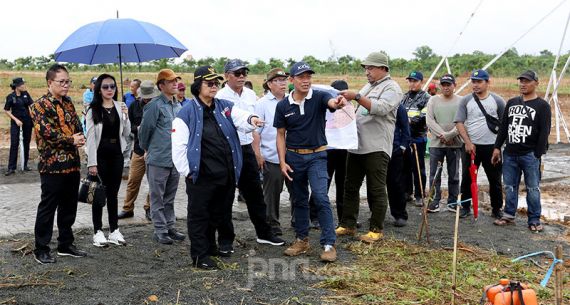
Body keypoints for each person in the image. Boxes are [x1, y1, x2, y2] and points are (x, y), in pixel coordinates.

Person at [172, 66, 262, 269]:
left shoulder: (223, 106)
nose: (214, 87)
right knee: (199, 216)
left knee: (218, 213)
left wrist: (252, 120)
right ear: (197, 86)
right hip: (201, 177)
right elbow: (178, 148)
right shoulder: (185, 113)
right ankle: (199, 255)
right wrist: (190, 173)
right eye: (209, 83)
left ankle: (212, 247)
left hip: (226, 173)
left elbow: (240, 117)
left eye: (216, 83)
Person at [275, 61, 347, 262]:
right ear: (292, 80)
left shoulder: (320, 96)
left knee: (320, 197)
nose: (306, 81)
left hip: (317, 156)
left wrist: (338, 103)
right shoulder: (283, 106)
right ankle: (301, 239)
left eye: (308, 76)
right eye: (301, 77)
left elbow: (332, 103)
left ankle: (328, 244)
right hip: (293, 157)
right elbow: (280, 135)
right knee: (298, 200)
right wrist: (282, 162)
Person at [217, 59, 284, 251]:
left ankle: (264, 233)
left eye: (244, 73)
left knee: (255, 194)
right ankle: (225, 239)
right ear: (227, 75)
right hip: (227, 149)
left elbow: (254, 128)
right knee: (226, 195)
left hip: (246, 147)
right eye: (237, 73)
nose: (241, 77)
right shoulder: (221, 96)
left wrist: (257, 152)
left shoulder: (250, 94)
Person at [336, 52, 403, 242]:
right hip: (357, 145)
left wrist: (356, 96)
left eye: (370, 68)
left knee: (376, 188)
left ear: (383, 69)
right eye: (366, 68)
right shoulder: (369, 86)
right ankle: (347, 224)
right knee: (350, 186)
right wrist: (346, 102)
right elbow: (360, 109)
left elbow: (380, 108)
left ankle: (376, 229)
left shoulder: (392, 88)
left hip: (376, 146)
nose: (367, 72)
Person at [30, 64, 87, 264]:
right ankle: (41, 248)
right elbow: (48, 133)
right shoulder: (38, 106)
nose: (66, 85)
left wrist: (80, 136)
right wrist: (72, 139)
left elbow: (78, 125)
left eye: (68, 81)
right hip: (52, 166)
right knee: (48, 207)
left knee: (69, 207)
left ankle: (65, 244)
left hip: (72, 164)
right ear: (49, 82)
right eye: (61, 82)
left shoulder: (69, 102)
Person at [491, 70, 551, 232]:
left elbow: (545, 132)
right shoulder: (511, 102)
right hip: (510, 153)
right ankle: (509, 215)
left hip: (530, 154)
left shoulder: (542, 106)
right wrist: (497, 147)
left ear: (536, 83)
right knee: (510, 186)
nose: (523, 84)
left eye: (527, 81)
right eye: (521, 81)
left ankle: (534, 220)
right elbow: (504, 127)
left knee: (532, 188)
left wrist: (537, 154)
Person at [139, 69, 186, 245]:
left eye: (176, 81)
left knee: (170, 196)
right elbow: (145, 131)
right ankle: (160, 230)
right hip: (158, 158)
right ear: (161, 85)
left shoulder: (177, 105)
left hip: (174, 159)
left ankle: (170, 226)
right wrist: (147, 148)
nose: (175, 84)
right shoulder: (154, 105)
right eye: (171, 81)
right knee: (157, 196)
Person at [85, 74, 131, 247]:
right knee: (97, 194)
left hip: (116, 155)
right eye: (105, 87)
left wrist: (126, 117)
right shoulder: (93, 109)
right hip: (100, 155)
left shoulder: (121, 107)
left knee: (113, 194)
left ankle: (114, 230)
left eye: (112, 86)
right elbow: (90, 137)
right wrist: (92, 162)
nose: (110, 89)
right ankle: (98, 231)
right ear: (99, 89)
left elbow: (126, 134)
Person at [454, 69, 506, 218]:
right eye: (473, 82)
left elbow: (504, 125)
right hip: (472, 147)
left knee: (495, 179)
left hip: (492, 148)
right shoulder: (465, 100)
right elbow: (459, 122)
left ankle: (496, 209)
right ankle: (465, 206)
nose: (475, 85)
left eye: (479, 82)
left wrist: (498, 147)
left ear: (487, 82)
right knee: (467, 178)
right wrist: (468, 143)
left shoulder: (498, 101)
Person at [255, 68, 290, 236]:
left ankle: (298, 221)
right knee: (272, 194)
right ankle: (272, 224)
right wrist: (258, 154)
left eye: (284, 79)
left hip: (293, 154)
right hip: (271, 155)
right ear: (269, 84)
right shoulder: (262, 103)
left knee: (297, 191)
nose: (282, 83)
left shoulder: (292, 99)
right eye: (277, 80)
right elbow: (255, 131)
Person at [118, 81, 158, 221]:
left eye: (150, 97)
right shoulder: (134, 105)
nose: (147, 99)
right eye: (146, 97)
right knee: (133, 180)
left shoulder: (158, 106)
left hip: (154, 150)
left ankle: (150, 208)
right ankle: (127, 208)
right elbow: (128, 126)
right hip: (139, 149)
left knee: (153, 182)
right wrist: (138, 128)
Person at [425, 74, 463, 213]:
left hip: (455, 143)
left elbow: (462, 121)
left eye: (449, 84)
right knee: (434, 174)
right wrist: (443, 135)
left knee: (454, 175)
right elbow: (429, 120)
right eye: (443, 85)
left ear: (455, 85)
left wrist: (450, 135)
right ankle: (434, 201)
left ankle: (452, 202)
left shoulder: (461, 101)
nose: (446, 87)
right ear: (440, 86)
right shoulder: (433, 100)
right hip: (436, 143)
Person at [401, 71, 431, 207]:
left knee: (418, 167)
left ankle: (419, 195)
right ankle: (407, 192)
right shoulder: (404, 97)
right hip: (404, 138)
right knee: (405, 166)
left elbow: (423, 118)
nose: (412, 83)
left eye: (415, 81)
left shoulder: (426, 98)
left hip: (418, 137)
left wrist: (407, 122)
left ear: (421, 82)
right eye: (410, 81)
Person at [387, 104, 411, 227]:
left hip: (394, 150)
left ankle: (400, 214)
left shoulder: (399, 107)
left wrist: (402, 146)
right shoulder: (371, 103)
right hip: (376, 149)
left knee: (395, 183)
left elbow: (406, 129)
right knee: (374, 184)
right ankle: (375, 214)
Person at [4, 77, 34, 175]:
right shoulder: (10, 97)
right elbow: (6, 110)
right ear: (17, 86)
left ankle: (24, 165)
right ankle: (11, 167)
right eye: (22, 84)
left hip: (27, 122)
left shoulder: (26, 94)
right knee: (14, 143)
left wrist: (33, 116)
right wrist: (16, 120)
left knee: (26, 143)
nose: (24, 86)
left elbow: (31, 106)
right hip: (16, 123)